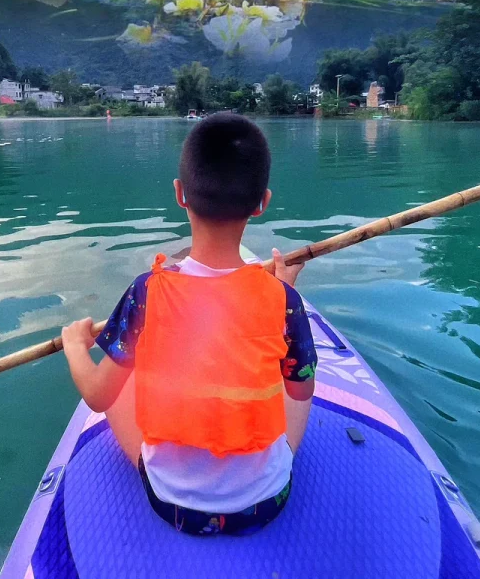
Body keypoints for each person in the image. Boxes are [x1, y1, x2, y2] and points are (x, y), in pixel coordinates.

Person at [61, 112, 316, 537]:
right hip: (266, 500)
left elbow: (95, 395)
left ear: (180, 194)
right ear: (262, 202)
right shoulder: (284, 300)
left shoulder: (147, 291)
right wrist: (282, 297)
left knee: (123, 382)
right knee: (297, 377)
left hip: (174, 505)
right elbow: (300, 391)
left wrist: (74, 344)